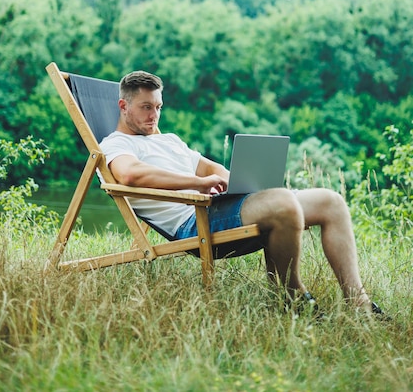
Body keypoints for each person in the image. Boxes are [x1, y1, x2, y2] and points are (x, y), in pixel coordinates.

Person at [100, 70, 384, 316]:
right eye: (146, 107)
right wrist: (197, 183)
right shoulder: (116, 144)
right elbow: (130, 174)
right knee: (283, 202)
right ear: (123, 106)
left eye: (159, 107)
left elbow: (209, 166)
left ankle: (358, 301)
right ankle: (290, 294)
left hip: (218, 206)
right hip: (193, 220)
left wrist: (241, 181)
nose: (154, 115)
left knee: (330, 202)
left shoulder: (168, 140)